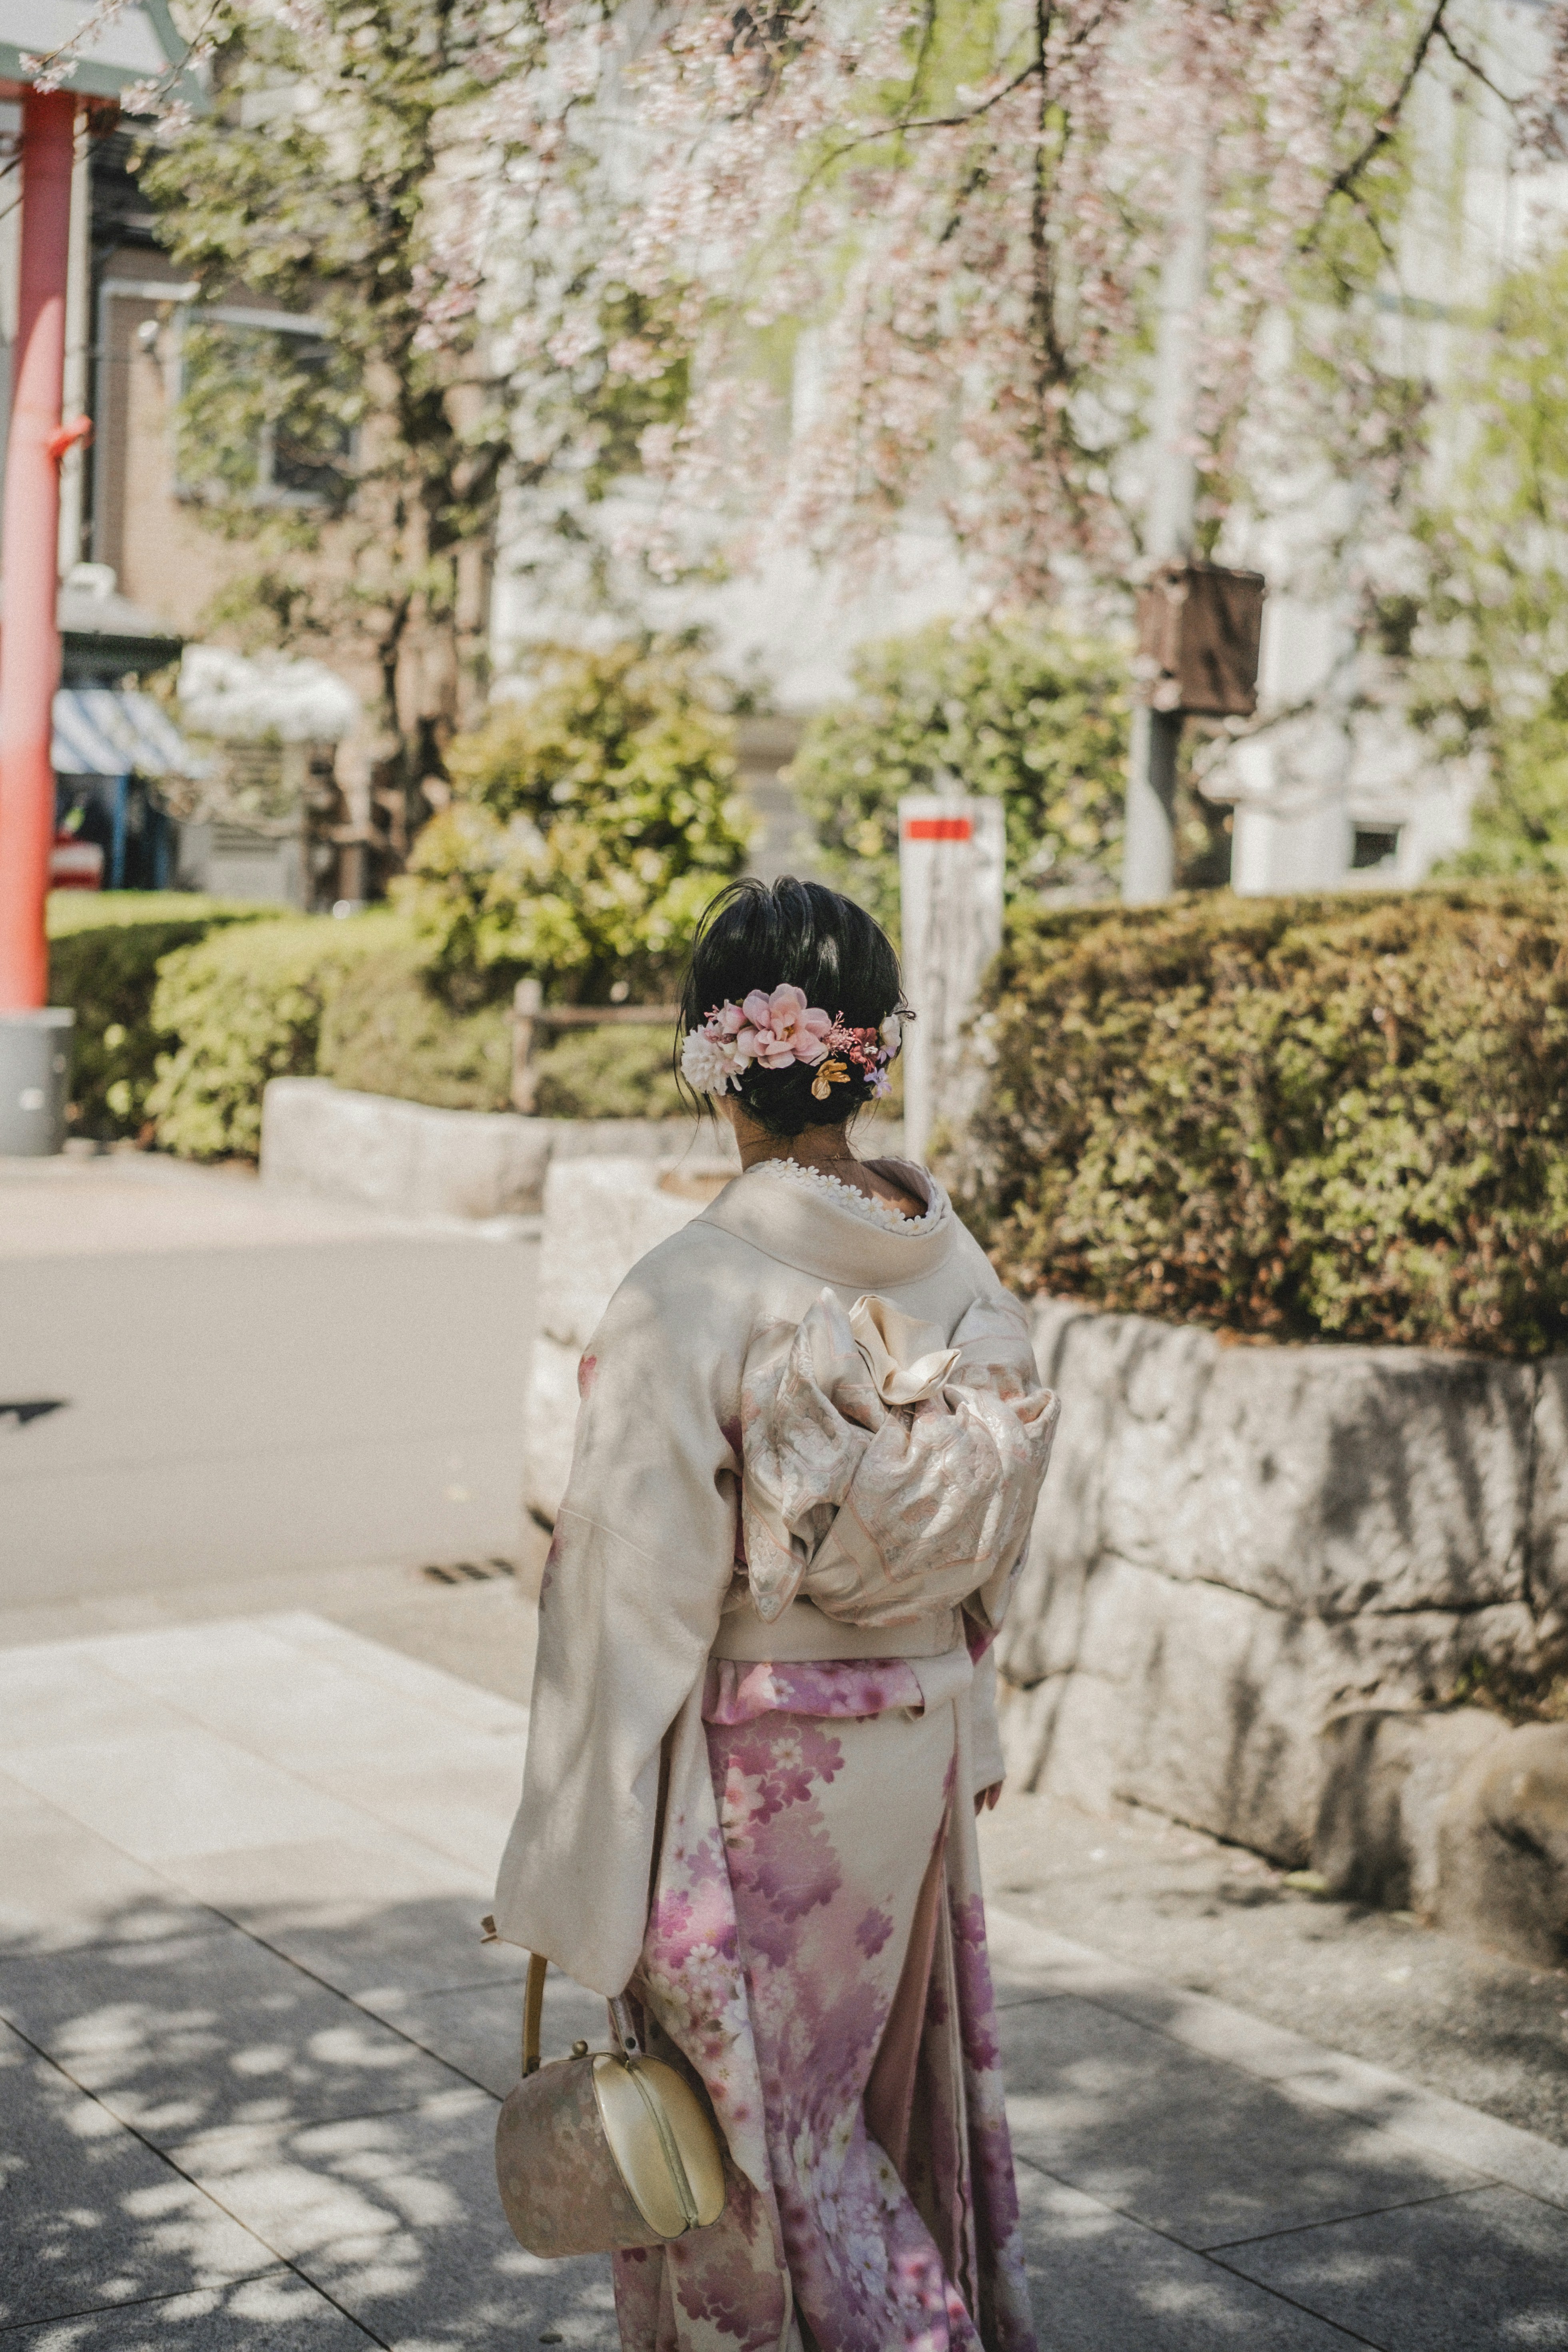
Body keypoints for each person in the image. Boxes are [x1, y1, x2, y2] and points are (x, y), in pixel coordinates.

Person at [492, 877, 1057, 2352]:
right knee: (857, 2102)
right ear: (870, 1055)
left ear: (709, 1058)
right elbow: (981, 1539)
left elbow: (620, 1602)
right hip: (912, 1741)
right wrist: (970, 1714)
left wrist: (569, 1862)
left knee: (758, 2149)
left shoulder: (691, 1286)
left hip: (764, 1776)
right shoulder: (948, 1256)